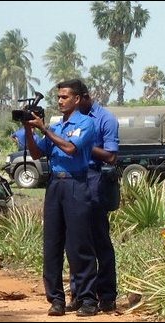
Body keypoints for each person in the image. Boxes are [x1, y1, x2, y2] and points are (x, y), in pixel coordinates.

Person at [24, 79, 98, 317]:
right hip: (55, 185)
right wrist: (28, 129)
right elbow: (37, 152)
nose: (59, 101)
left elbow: (70, 149)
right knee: (52, 244)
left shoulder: (86, 123)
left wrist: (44, 129)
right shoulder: (56, 127)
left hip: (76, 183)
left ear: (76, 99)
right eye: (58, 97)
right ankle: (56, 299)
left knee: (79, 245)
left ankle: (87, 299)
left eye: (64, 97)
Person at [65, 80, 120, 313]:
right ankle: (79, 294)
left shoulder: (105, 119)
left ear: (83, 97)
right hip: (72, 179)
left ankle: (106, 296)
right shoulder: (70, 120)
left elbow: (110, 157)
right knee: (76, 241)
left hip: (95, 179)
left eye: (73, 99)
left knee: (99, 240)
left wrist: (83, 145)